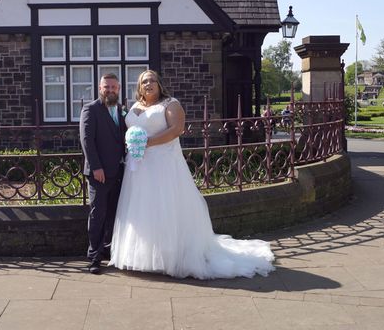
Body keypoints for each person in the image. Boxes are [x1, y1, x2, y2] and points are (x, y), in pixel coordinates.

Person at [110, 70, 275, 279]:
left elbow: (176, 130)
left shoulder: (170, 104)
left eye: (152, 80)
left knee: (164, 207)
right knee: (142, 208)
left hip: (163, 164)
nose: (148, 84)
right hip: (139, 167)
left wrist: (147, 143)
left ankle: (170, 256)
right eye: (144, 81)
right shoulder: (134, 107)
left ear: (160, 84)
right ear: (139, 87)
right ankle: (144, 255)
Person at [79, 73, 127, 274]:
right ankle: (94, 257)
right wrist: (96, 167)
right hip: (99, 173)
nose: (110, 90)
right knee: (97, 214)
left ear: (119, 89)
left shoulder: (122, 110)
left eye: (113, 87)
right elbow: (87, 141)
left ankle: (109, 251)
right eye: (106, 87)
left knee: (114, 215)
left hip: (119, 172)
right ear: (100, 88)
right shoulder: (90, 109)